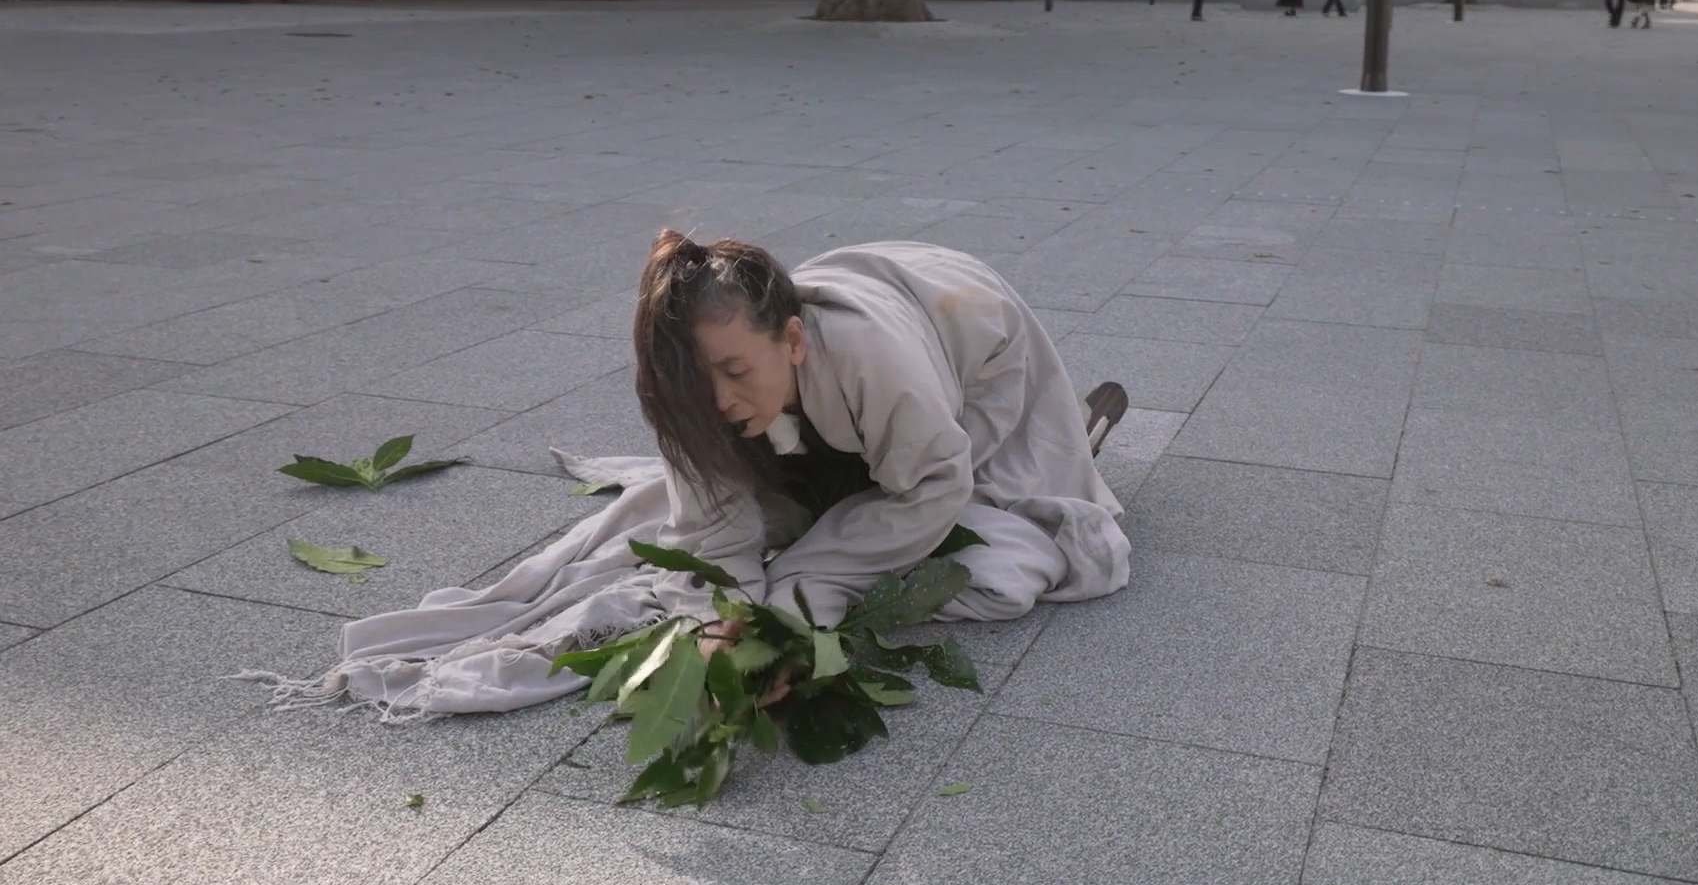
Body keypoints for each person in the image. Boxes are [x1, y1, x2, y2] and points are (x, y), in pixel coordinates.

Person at [251, 234, 1136, 719]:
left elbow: (928, 493)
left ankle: (1077, 433)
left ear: (791, 339)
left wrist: (793, 612)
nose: (715, 402)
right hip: (853, 380)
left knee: (1003, 549)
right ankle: (828, 446)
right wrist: (730, 619)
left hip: (969, 339)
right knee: (791, 503)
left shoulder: (877, 362)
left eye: (736, 373)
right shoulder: (685, 387)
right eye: (696, 380)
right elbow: (714, 535)